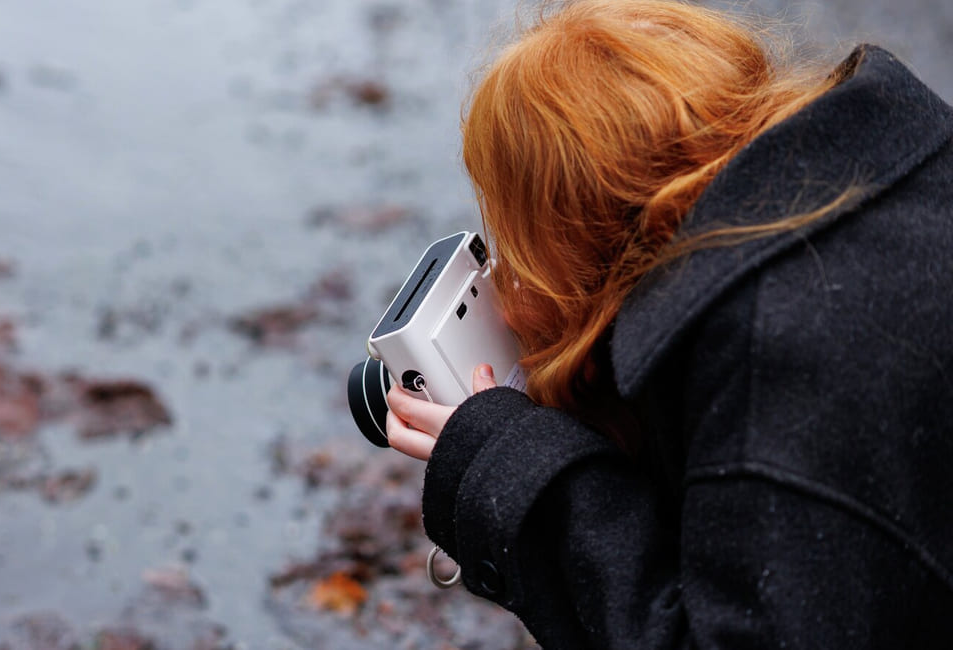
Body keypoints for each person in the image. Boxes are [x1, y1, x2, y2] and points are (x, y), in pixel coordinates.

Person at [382, 0, 953, 647]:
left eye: (526, 246)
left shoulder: (776, 360)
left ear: (592, 235)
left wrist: (523, 470)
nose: (509, 304)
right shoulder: (897, 184)